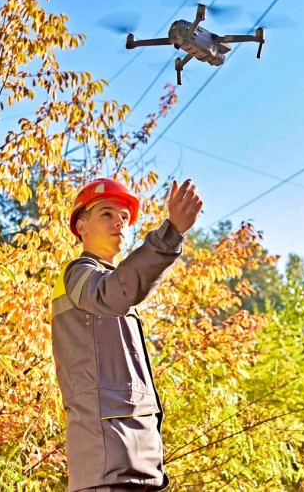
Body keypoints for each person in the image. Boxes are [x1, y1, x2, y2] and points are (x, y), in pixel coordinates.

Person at [51, 177, 202, 491]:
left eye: (123, 217)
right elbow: (115, 291)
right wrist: (171, 233)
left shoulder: (112, 286)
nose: (119, 222)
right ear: (81, 226)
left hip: (137, 466)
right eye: (107, 214)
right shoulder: (79, 275)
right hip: (107, 468)